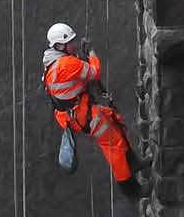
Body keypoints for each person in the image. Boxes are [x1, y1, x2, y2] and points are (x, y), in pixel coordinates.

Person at [40, 22, 142, 197]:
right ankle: (131, 189)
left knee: (115, 121)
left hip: (75, 113)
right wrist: (92, 53)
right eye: (70, 43)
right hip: (81, 115)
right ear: (59, 46)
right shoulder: (66, 64)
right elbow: (94, 71)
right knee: (113, 144)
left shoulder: (52, 62)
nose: (73, 45)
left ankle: (133, 163)